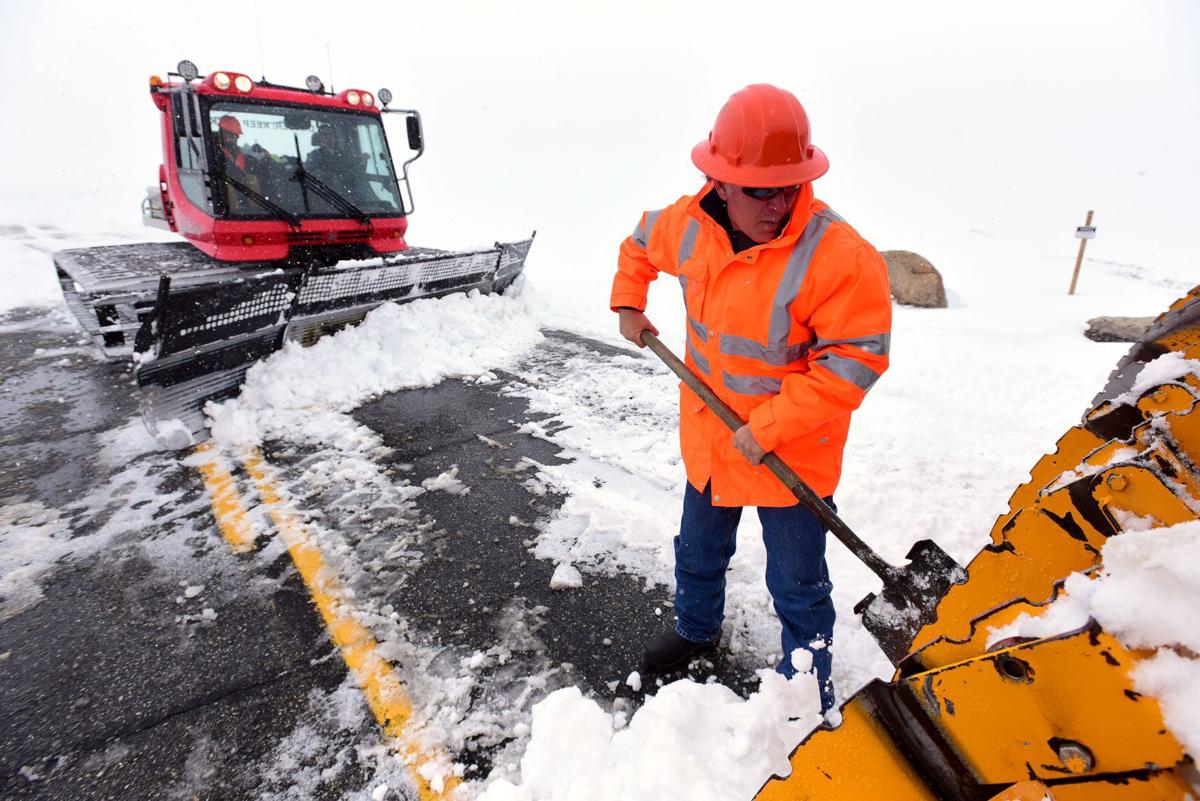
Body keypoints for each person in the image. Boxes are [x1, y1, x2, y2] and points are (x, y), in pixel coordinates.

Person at [610, 84, 891, 711]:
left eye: (789, 186)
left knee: (798, 582)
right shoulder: (686, 225)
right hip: (713, 437)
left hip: (791, 454)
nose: (777, 203)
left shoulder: (840, 256)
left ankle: (803, 683)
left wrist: (769, 426)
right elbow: (638, 244)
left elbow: (855, 361)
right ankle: (694, 630)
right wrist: (629, 301)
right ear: (721, 183)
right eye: (760, 190)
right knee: (698, 550)